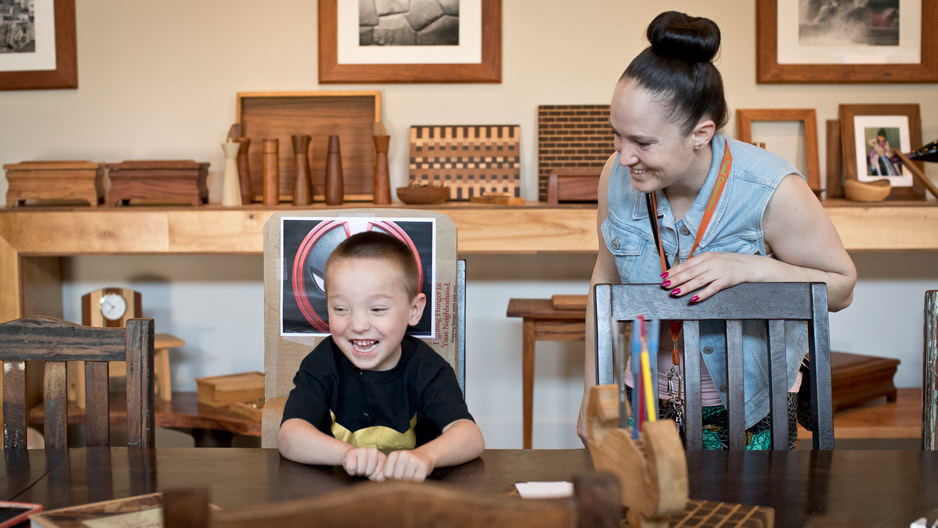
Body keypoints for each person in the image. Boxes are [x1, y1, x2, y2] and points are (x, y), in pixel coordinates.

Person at [576, 11, 857, 449]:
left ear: (701, 133)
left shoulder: (771, 188)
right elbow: (605, 281)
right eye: (618, 135)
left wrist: (750, 267)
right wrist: (596, 392)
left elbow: (841, 287)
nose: (624, 156)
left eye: (643, 143)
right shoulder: (616, 174)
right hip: (646, 398)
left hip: (750, 409)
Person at [279, 231, 484, 480]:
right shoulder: (321, 364)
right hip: (335, 504)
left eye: (377, 309)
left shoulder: (427, 368)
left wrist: (426, 457)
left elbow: (470, 436)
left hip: (413, 503)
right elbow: (289, 436)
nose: (358, 324)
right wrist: (346, 455)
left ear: (414, 310)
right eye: (341, 309)